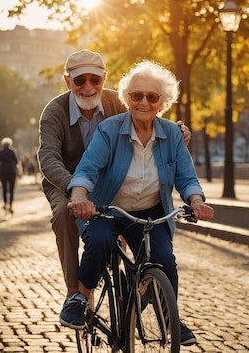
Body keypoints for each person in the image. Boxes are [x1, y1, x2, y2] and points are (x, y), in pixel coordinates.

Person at [63, 60, 213, 346]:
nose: (144, 102)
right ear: (127, 99)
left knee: (165, 260)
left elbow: (187, 177)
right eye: (136, 95)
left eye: (152, 97)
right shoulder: (109, 130)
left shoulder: (171, 134)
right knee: (100, 242)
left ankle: (170, 317)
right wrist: (80, 197)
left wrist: (196, 201)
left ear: (162, 102)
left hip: (150, 212)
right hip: (107, 209)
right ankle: (80, 297)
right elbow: (87, 169)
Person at [37, 49, 191, 308]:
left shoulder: (116, 102)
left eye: (95, 80)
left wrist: (175, 134)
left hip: (111, 180)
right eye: (79, 80)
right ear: (67, 81)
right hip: (65, 180)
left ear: (104, 79)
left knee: (128, 217)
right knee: (65, 213)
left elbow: (146, 115)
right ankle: (75, 293)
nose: (88, 87)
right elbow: (48, 158)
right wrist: (75, 189)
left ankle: (134, 281)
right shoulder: (54, 112)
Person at [0, 137, 19, 213]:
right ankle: (10, 205)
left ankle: (5, 203)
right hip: (12, 171)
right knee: (11, 189)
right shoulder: (12, 151)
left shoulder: (0, 152)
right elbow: (16, 162)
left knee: (4, 188)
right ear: (10, 144)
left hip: (3, 171)